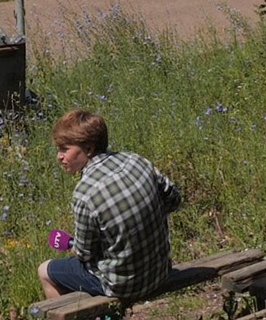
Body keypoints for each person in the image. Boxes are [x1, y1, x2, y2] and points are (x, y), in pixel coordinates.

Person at [37, 109, 181, 302]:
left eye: (65, 149)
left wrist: (72, 244)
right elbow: (174, 199)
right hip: (160, 271)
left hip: (123, 286)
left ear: (88, 149)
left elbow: (84, 254)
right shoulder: (136, 160)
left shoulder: (85, 193)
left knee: (45, 270)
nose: (59, 157)